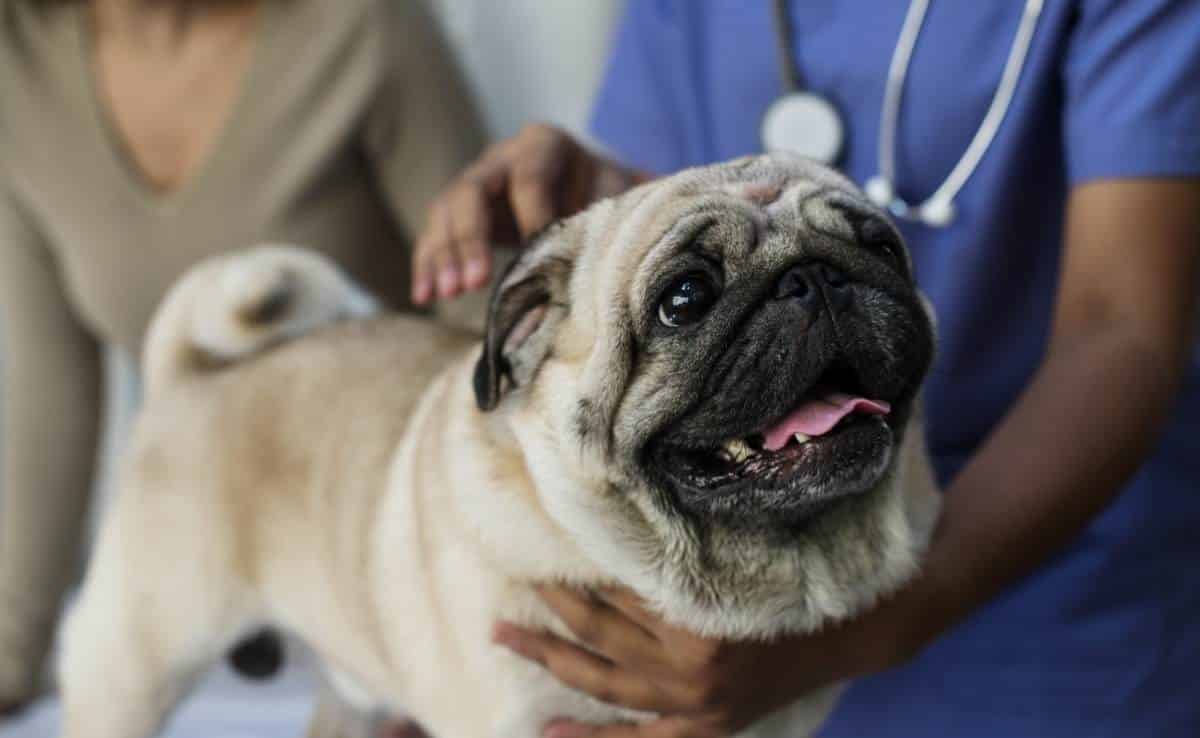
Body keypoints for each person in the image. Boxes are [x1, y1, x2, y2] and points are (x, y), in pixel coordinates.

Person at [411, 1, 1200, 736]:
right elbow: (669, 212)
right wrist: (596, 199)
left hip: (1052, 603)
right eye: (691, 298)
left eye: (866, 251)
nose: (807, 299)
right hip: (711, 637)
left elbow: (1121, 328)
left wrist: (858, 633)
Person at [0, 0, 484, 718]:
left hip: (390, 552)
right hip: (191, 519)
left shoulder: (363, 24)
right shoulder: (16, 66)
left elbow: (491, 323)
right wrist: (11, 656)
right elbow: (49, 396)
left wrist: (463, 607)